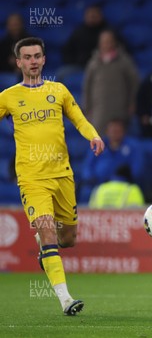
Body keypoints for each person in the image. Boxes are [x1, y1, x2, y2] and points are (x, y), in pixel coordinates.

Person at [0, 37, 105, 315]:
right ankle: (66, 300)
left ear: (44, 60)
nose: (33, 61)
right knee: (46, 228)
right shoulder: (8, 97)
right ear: (19, 62)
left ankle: (44, 250)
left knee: (68, 239)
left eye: (37, 56)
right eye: (27, 57)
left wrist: (93, 135)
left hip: (62, 176)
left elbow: (78, 117)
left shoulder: (58, 90)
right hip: (32, 179)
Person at [83, 29, 138, 134]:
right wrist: (87, 109)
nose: (106, 44)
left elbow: (134, 83)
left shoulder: (124, 61)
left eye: (109, 41)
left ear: (114, 42)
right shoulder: (93, 63)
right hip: (99, 110)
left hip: (119, 109)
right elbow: (87, 87)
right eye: (104, 42)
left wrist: (132, 102)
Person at [58, 5, 109, 79]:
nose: (92, 18)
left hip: (100, 66)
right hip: (79, 65)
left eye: (94, 15)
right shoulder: (79, 32)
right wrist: (74, 61)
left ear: (100, 16)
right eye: (90, 15)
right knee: (60, 74)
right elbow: (67, 49)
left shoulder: (108, 32)